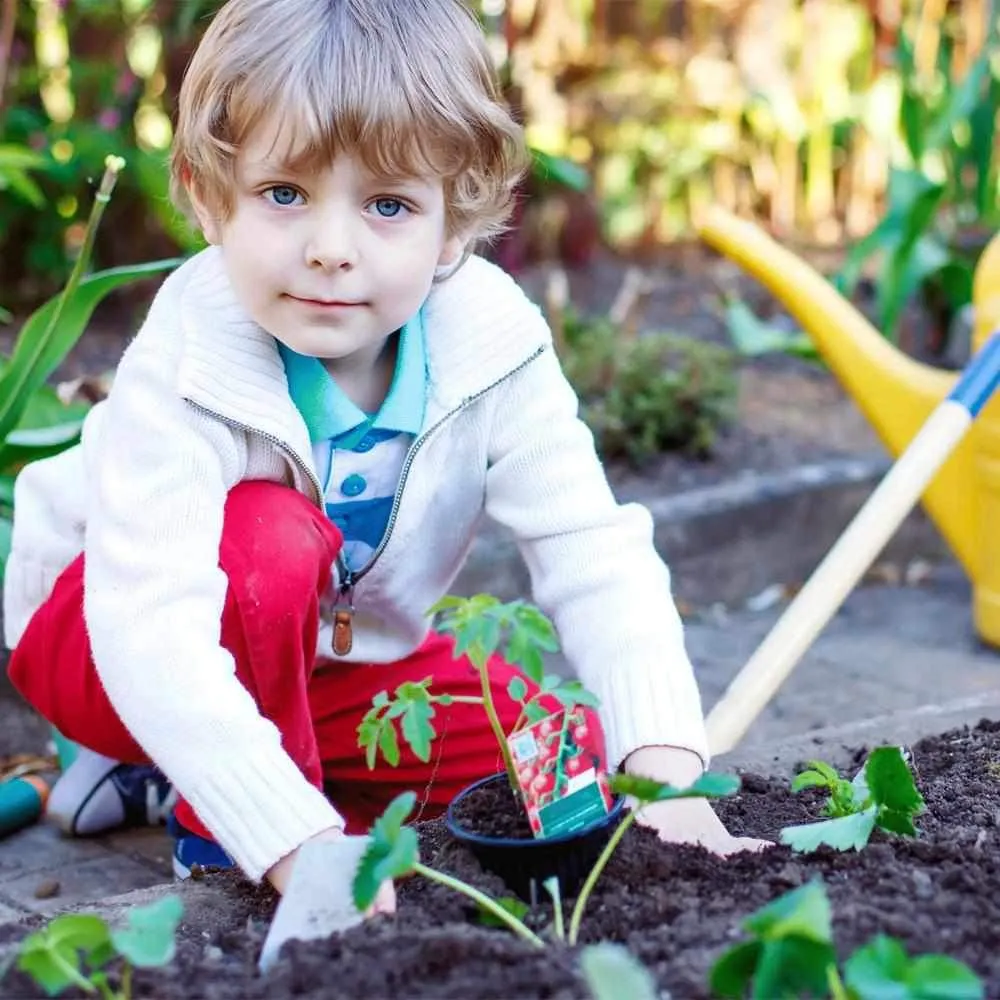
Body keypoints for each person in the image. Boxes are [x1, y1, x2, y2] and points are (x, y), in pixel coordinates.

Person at [4, 0, 765, 908]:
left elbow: (591, 551)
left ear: (454, 226)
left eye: (389, 205)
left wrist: (667, 780)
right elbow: (151, 633)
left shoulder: (490, 342)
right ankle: (209, 813)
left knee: (560, 764)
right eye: (284, 194)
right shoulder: (187, 360)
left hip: (337, 664)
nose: (332, 250)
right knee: (272, 538)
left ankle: (241, 771)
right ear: (211, 198)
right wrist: (302, 848)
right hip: (106, 644)